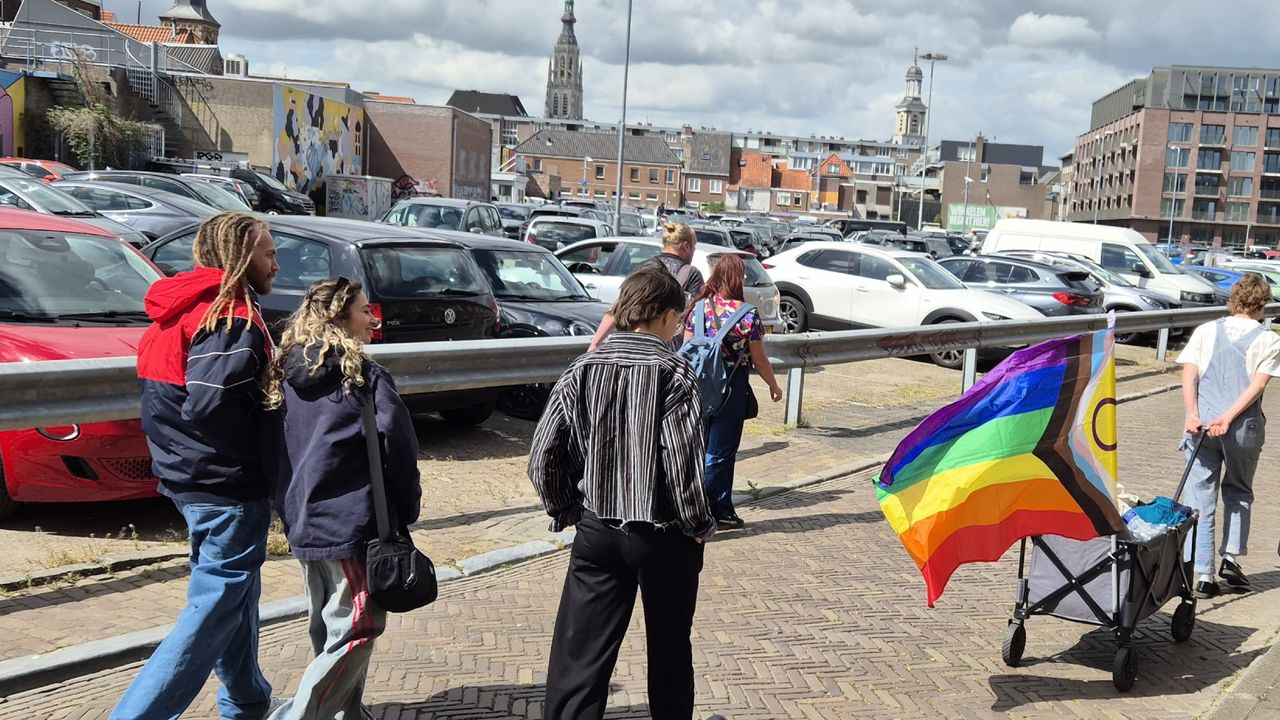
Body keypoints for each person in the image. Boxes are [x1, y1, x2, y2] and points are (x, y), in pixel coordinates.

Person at [529, 265, 716, 720]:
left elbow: (542, 457)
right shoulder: (674, 371)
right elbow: (682, 464)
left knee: (580, 656)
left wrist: (568, 507)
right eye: (681, 318)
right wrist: (698, 526)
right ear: (669, 317)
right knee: (670, 651)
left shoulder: (584, 367)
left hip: (597, 528)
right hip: (663, 531)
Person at [114, 212, 279, 719]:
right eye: (269, 254)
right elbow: (212, 404)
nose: (277, 264)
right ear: (240, 257)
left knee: (234, 598)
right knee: (212, 609)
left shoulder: (175, 312)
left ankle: (247, 703)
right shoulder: (228, 316)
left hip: (188, 478)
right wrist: (256, 459)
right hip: (226, 485)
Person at [263, 277, 422, 719]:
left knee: (327, 627)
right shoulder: (364, 376)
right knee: (357, 627)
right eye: (364, 310)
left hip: (302, 514)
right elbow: (400, 450)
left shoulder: (283, 374)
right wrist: (406, 507)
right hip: (351, 520)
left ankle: (345, 714)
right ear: (339, 317)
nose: (373, 320)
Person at [1179, 273, 1280, 599]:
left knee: (1200, 498)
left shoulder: (1206, 331)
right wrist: (1229, 417)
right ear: (1262, 304)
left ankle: (1204, 574)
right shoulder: (1269, 340)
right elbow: (1258, 385)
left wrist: (1193, 413)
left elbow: (1189, 374)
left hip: (1202, 426)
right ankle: (1231, 557)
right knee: (1238, 489)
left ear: (1233, 298)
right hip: (1242, 429)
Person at [684, 253, 784, 529]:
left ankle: (693, 504)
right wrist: (773, 386)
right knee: (721, 452)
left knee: (697, 447)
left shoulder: (698, 308)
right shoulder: (747, 315)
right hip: (730, 386)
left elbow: (688, 348)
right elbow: (760, 358)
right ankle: (716, 509)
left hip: (697, 385)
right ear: (738, 278)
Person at [588, 222, 703, 351]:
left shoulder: (642, 268)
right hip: (669, 352)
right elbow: (694, 319)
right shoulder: (691, 274)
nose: (694, 250)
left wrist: (595, 344)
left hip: (633, 347)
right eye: (694, 246)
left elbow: (618, 308)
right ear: (686, 246)